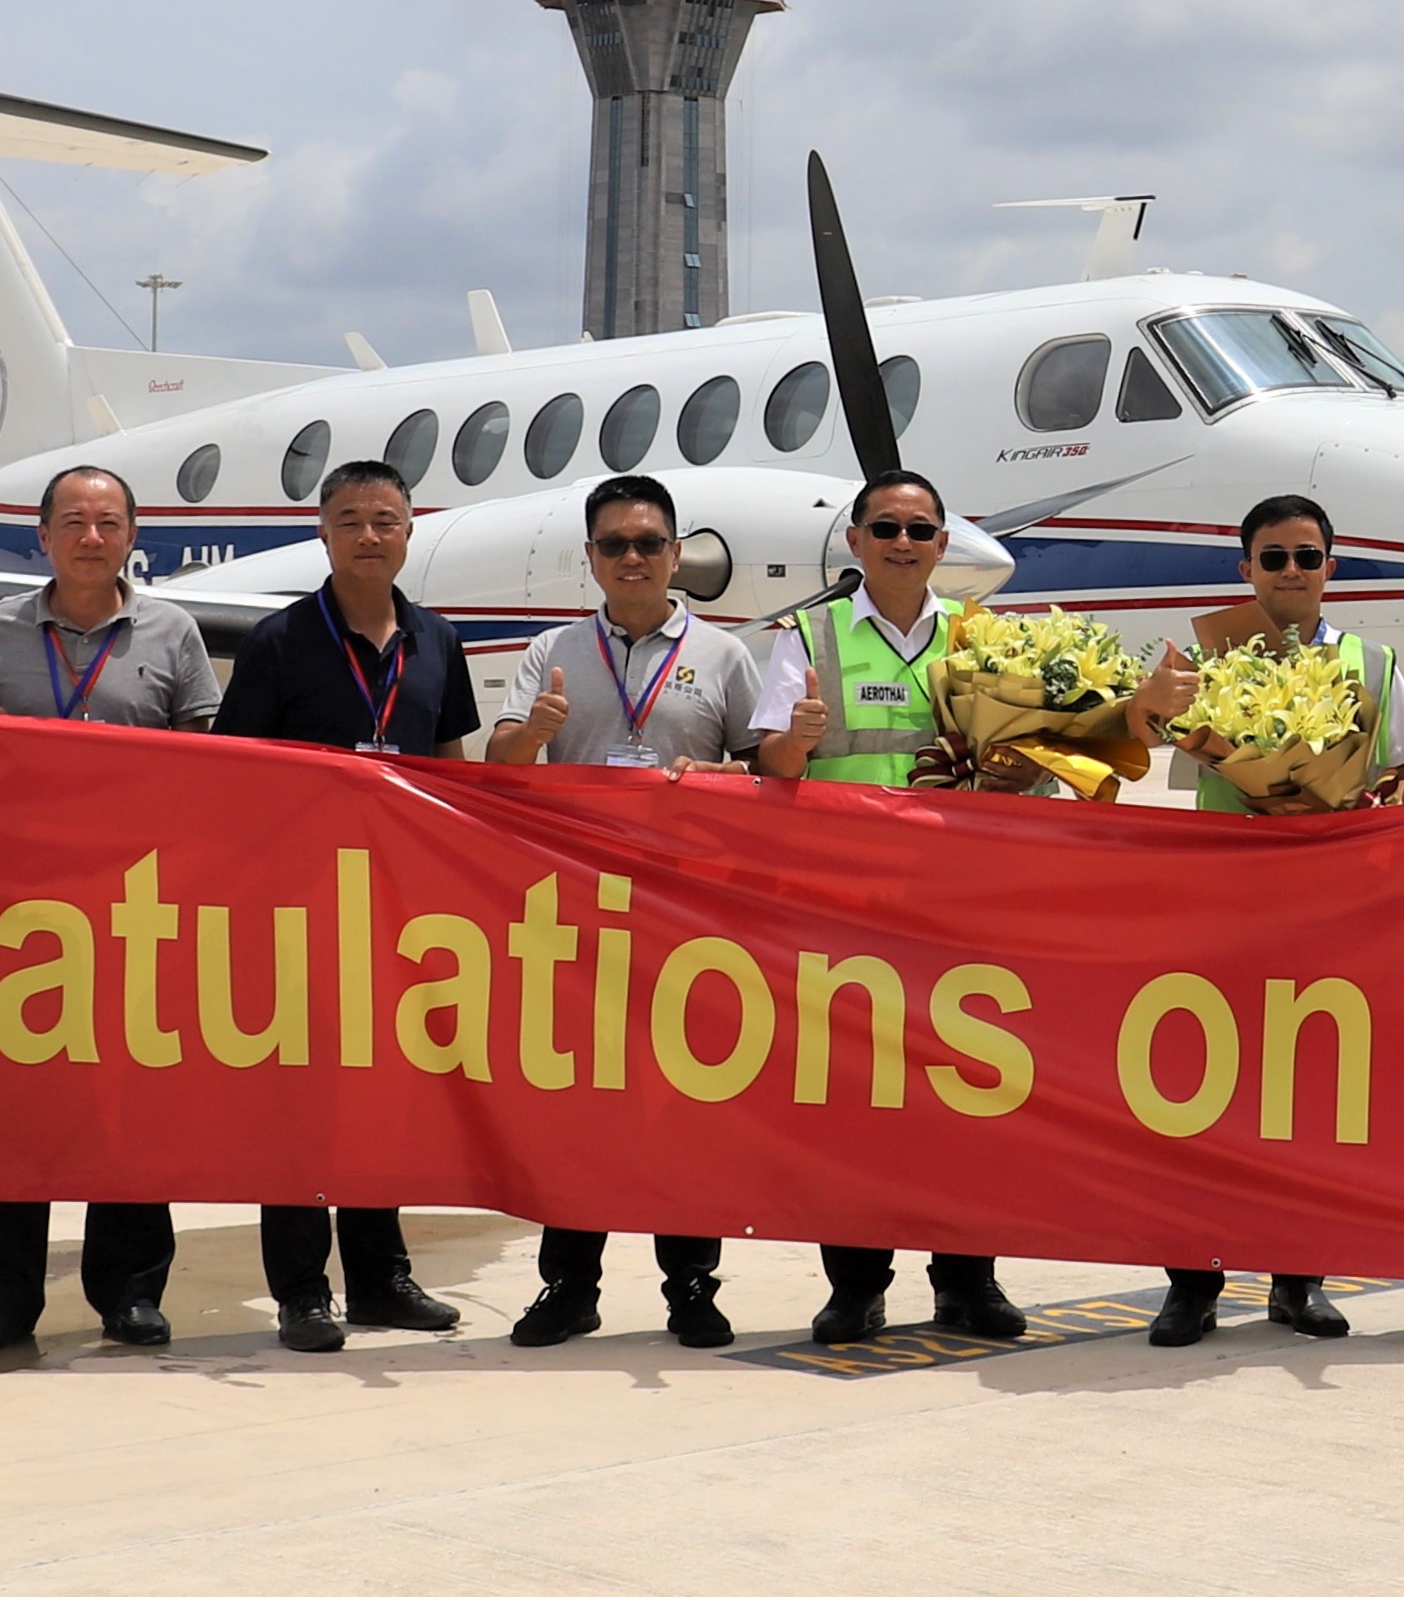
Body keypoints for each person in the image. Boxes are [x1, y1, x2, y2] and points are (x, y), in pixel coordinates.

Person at [493, 473, 774, 1353]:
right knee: (575, 1106)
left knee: (682, 1104)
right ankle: (569, 1288)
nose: (632, 558)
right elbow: (500, 760)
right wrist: (534, 729)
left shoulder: (725, 655)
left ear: (675, 553)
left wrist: (732, 778)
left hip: (685, 918)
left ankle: (691, 1283)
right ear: (590, 558)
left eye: (649, 543)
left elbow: (762, 773)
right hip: (576, 915)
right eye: (613, 544)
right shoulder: (553, 651)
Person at [755, 466, 1033, 1349]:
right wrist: (791, 744)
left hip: (958, 914)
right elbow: (771, 765)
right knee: (856, 1107)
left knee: (969, 1102)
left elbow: (1024, 762)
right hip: (850, 914)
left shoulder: (987, 637)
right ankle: (855, 1286)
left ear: (944, 546)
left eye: (919, 531)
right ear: (855, 541)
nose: (903, 544)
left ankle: (968, 1279)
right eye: (886, 529)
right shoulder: (808, 634)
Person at [0, 462, 213, 1356]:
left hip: (135, 902)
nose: (90, 536)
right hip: (19, 912)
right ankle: (7, 1298)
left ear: (133, 535)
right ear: (44, 537)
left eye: (107, 522)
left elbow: (213, 750)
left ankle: (130, 1293)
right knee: (10, 1105)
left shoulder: (172, 630)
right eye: (73, 521)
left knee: (129, 1101)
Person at [213, 457, 481, 1355]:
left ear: (410, 531)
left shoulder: (438, 641)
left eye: (387, 519)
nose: (371, 534)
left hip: (400, 911)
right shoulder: (279, 642)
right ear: (322, 533)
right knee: (298, 1101)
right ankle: (299, 1289)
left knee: (384, 1097)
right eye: (352, 519)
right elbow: (233, 779)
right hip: (298, 908)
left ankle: (379, 1278)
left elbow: (448, 768)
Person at [1145, 495, 1404, 1349]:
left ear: (1333, 566)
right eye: (1273, 556)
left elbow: (1401, 775)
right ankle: (1192, 1280)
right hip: (1222, 902)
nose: (1290, 570)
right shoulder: (1210, 654)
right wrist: (1153, 701)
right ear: (1244, 568)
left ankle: (1300, 1277)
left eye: (1306, 554)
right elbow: (1151, 742)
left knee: (1311, 1096)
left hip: (1331, 913)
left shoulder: (1374, 659)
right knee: (1198, 1092)